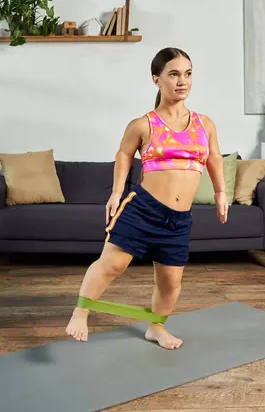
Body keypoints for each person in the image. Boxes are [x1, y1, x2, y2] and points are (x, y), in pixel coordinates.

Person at [66, 47, 228, 349]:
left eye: (188, 74)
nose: (183, 81)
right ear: (157, 79)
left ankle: (156, 327)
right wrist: (116, 193)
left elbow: (215, 158)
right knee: (112, 265)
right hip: (143, 209)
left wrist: (221, 192)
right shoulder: (144, 124)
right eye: (174, 74)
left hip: (179, 219)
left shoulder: (204, 124)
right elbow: (124, 154)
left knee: (170, 283)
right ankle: (81, 312)